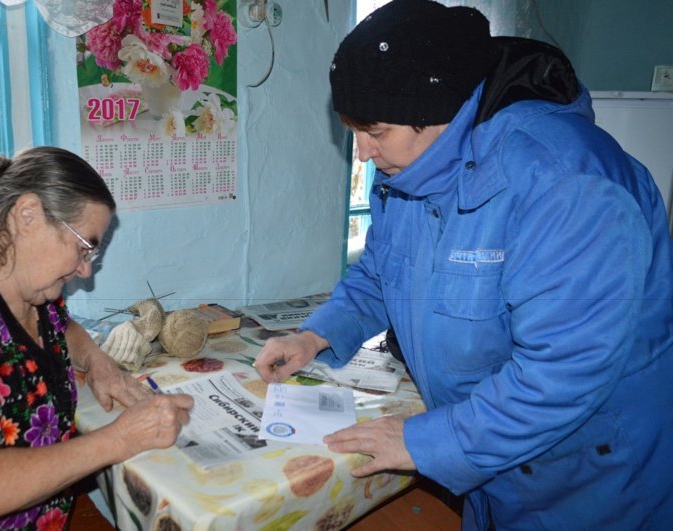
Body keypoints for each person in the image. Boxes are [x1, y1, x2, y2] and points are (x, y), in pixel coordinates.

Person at [254, 0, 673, 528]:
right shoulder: (410, 168)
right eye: (352, 129)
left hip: (590, 476)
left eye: (375, 131)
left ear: (436, 112)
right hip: (493, 460)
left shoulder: (569, 184)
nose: (360, 152)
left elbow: (563, 372)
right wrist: (314, 336)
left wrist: (425, 440)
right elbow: (383, 273)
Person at [0, 146, 194, 529]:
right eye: (83, 246)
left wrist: (96, 361)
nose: (85, 271)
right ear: (27, 215)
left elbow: (61, 326)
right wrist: (120, 439)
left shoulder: (22, 280)